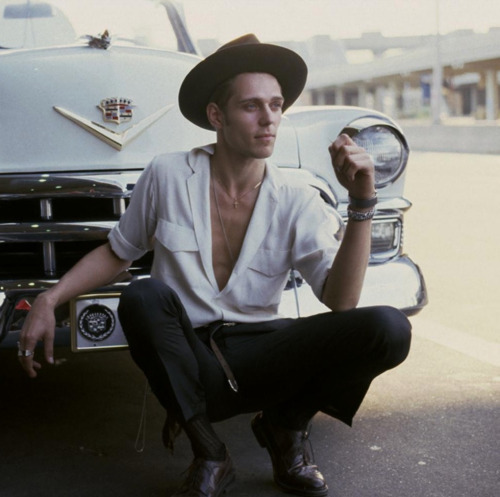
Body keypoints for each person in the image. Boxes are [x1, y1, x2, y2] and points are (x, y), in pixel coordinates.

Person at [18, 34, 411, 497]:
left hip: (265, 353)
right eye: (251, 106)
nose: (269, 120)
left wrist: (362, 201)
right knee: (142, 295)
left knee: (388, 328)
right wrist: (50, 297)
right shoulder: (167, 175)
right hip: (191, 358)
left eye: (276, 105)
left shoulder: (297, 198)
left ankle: (285, 428)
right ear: (216, 116)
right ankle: (210, 452)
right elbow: (117, 252)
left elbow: (341, 300)